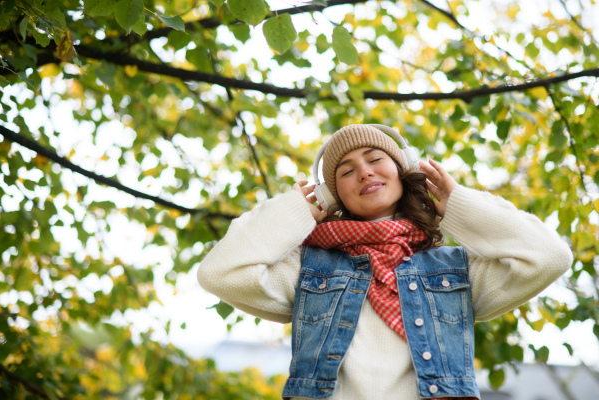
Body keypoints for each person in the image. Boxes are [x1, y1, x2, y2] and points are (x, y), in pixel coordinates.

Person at [197, 124, 572, 399]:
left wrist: (460, 204)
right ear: (332, 195)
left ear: (402, 169)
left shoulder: (456, 273)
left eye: (375, 158)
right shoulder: (310, 271)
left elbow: (548, 256)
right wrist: (291, 210)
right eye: (346, 171)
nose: (364, 171)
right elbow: (220, 273)